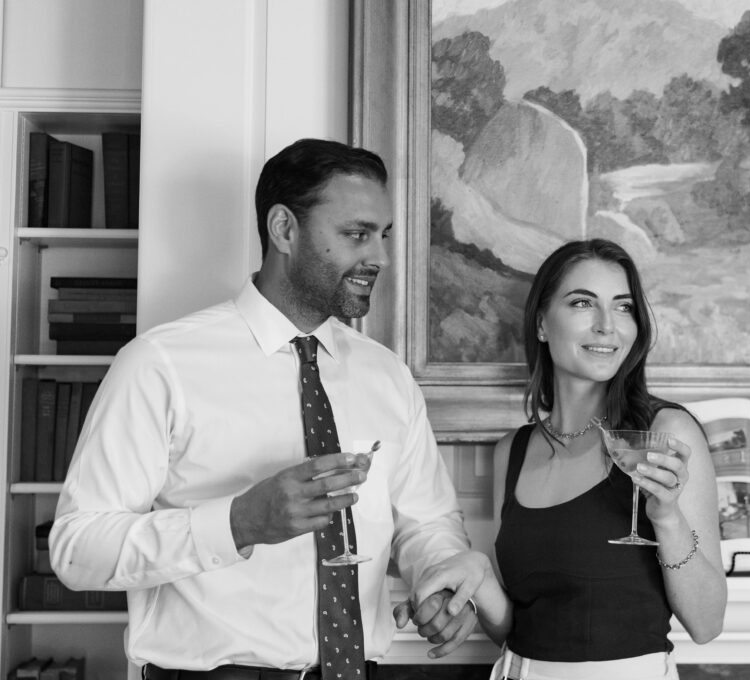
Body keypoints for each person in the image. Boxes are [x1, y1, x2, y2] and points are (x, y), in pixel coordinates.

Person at [49, 138, 484, 679]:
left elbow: (427, 522)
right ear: (284, 229)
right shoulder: (160, 364)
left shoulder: (387, 376)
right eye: (356, 234)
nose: (380, 257)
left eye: (383, 235)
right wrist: (238, 523)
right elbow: (76, 550)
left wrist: (439, 579)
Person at [412, 239, 728, 680]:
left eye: (623, 307)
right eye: (583, 303)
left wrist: (668, 518)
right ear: (542, 323)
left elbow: (707, 623)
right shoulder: (512, 452)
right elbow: (519, 630)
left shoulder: (665, 434)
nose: (606, 326)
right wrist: (480, 577)